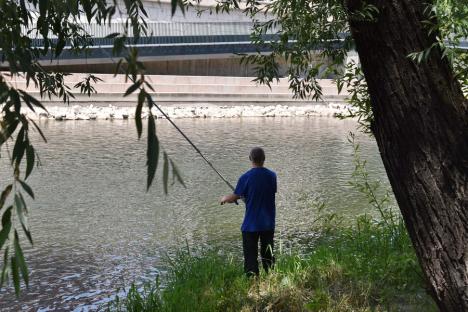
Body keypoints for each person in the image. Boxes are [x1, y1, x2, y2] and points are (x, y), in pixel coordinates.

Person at [220, 147, 277, 276]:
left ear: (250, 159)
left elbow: (234, 196)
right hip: (268, 224)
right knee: (268, 255)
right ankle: (271, 278)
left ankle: (252, 282)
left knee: (250, 259)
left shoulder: (245, 178)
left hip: (250, 226)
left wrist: (224, 198)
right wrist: (247, 197)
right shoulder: (272, 176)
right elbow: (266, 193)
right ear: (264, 159)